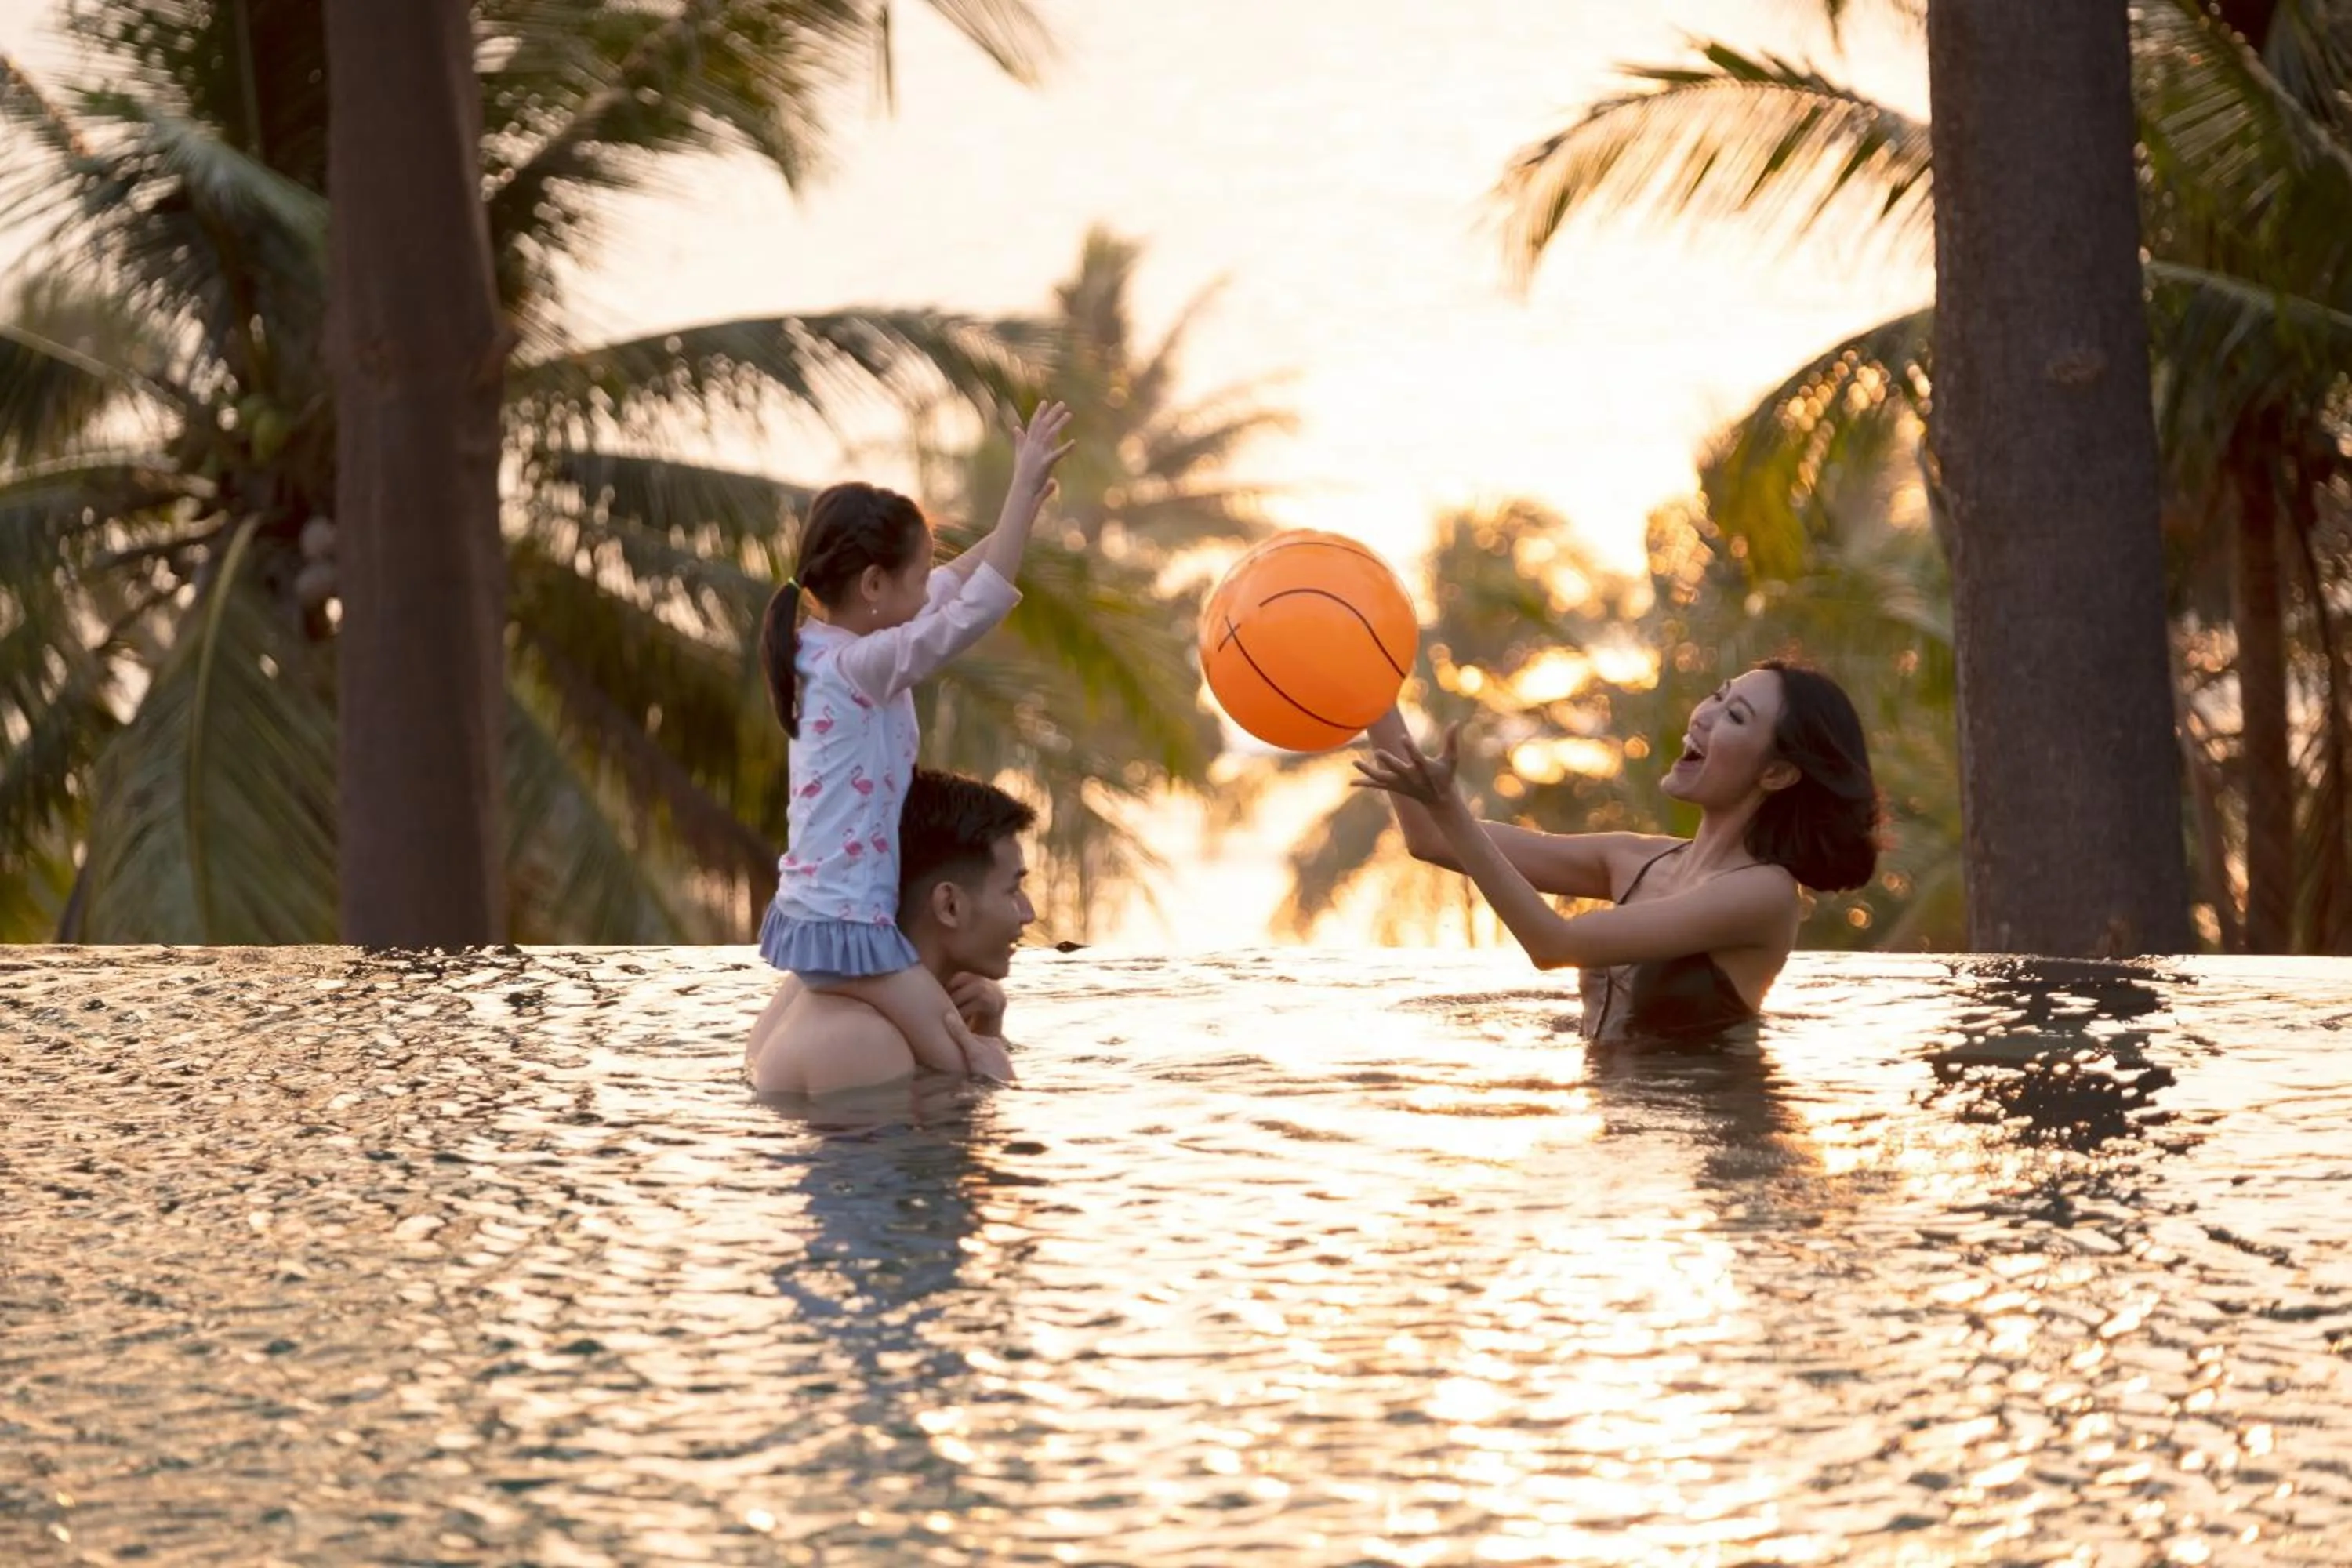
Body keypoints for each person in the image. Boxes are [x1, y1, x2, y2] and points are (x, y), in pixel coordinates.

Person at [754, 404, 1071, 1082]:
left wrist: (1021, 519)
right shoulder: (858, 669)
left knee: (958, 1043)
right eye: (918, 577)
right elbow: (972, 612)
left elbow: (956, 587)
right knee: (967, 1058)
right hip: (850, 932)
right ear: (873, 586)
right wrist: (1017, 494)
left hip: (823, 916)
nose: (933, 586)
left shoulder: (823, 648)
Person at [1353, 659, 1879, 1042]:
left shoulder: (1763, 894)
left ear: (1778, 772)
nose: (1704, 717)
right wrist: (1370, 681)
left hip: (1713, 1155)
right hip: (1618, 1141)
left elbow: (1552, 943)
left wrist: (1450, 808)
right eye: (1716, 698)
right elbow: (1431, 837)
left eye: (1735, 717)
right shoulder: (1635, 859)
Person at [747, 768, 1039, 1097]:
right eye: (1013, 890)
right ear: (950, 906)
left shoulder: (826, 982)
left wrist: (987, 1030)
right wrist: (995, 1087)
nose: (1029, 914)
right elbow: (932, 1148)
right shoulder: (862, 1041)